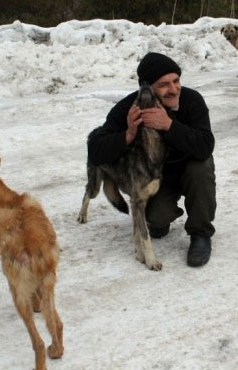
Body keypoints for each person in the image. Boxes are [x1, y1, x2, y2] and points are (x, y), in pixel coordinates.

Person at [87, 52, 216, 267]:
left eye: (176, 81)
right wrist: (127, 134)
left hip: (188, 169)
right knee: (156, 220)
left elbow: (205, 145)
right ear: (147, 88)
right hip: (157, 180)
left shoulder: (192, 101)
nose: (173, 89)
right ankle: (162, 216)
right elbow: (95, 150)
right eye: (164, 84)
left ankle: (200, 233)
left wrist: (169, 125)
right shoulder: (131, 107)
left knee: (200, 167)